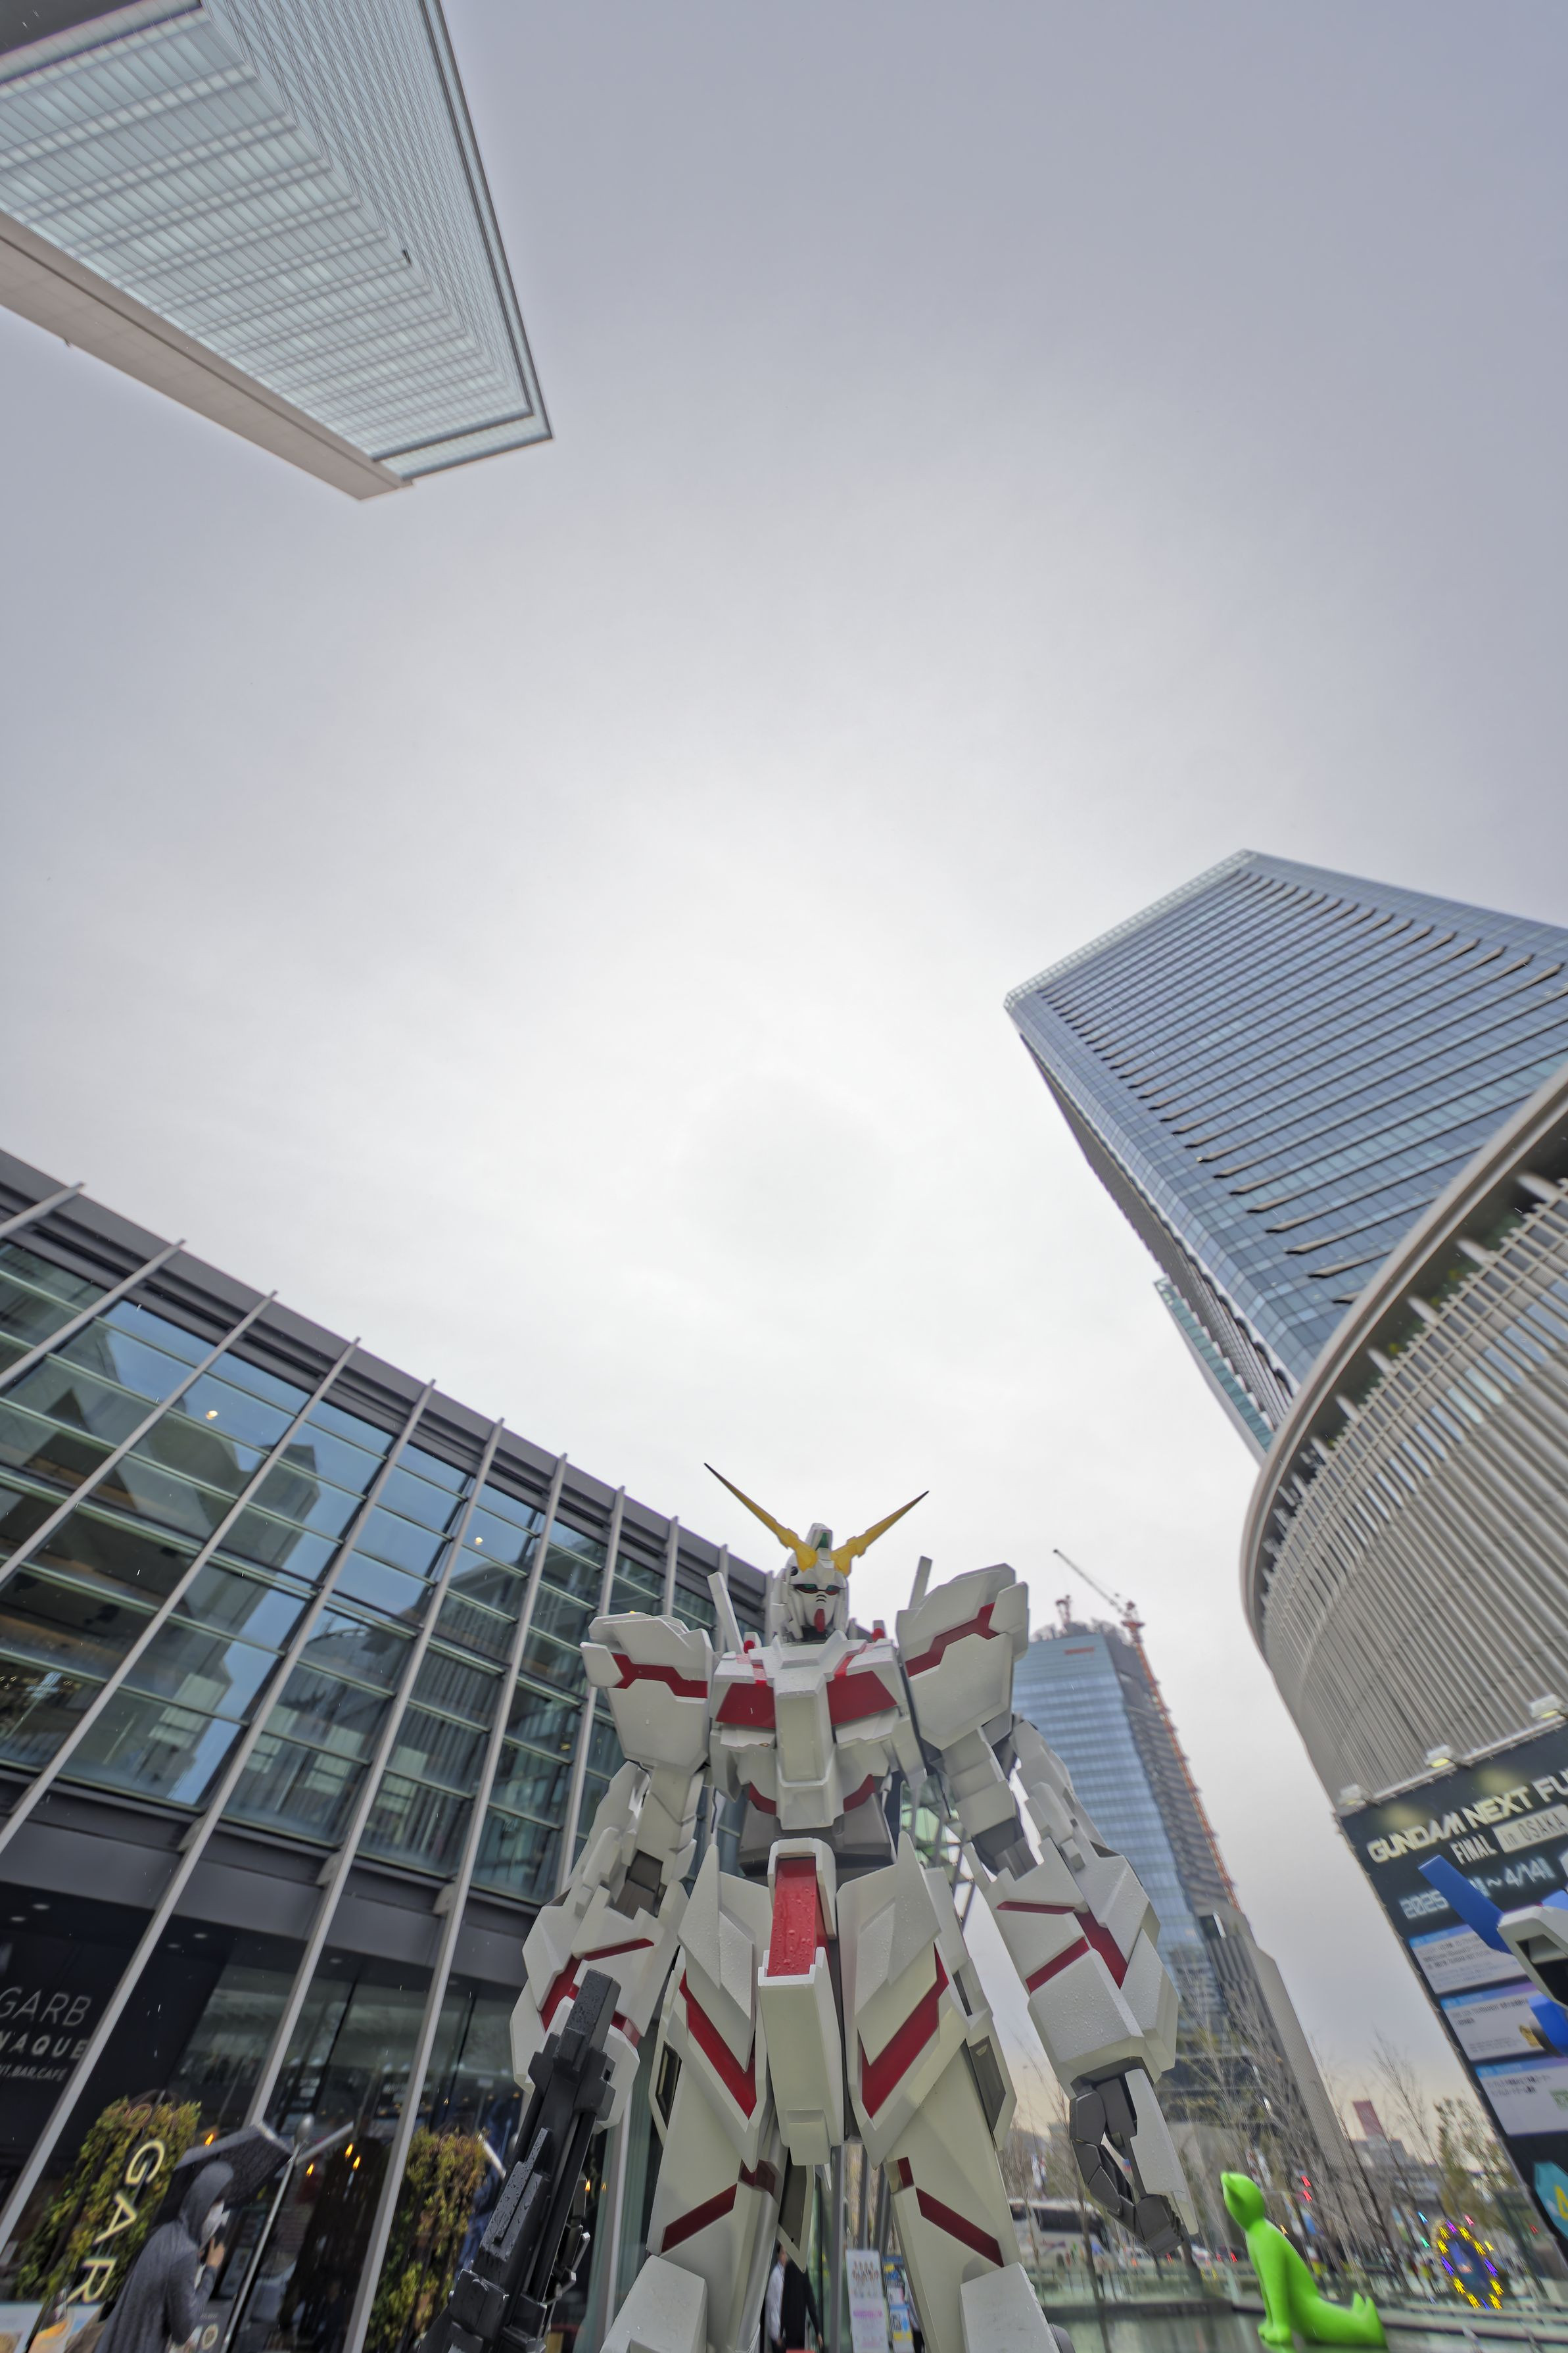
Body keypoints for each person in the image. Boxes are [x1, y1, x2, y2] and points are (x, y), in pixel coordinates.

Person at [95, 2161, 231, 2353]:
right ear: (203, 2208)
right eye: (215, 2209)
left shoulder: (163, 2232)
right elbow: (183, 2330)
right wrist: (211, 2270)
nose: (216, 2218)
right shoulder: (185, 2254)